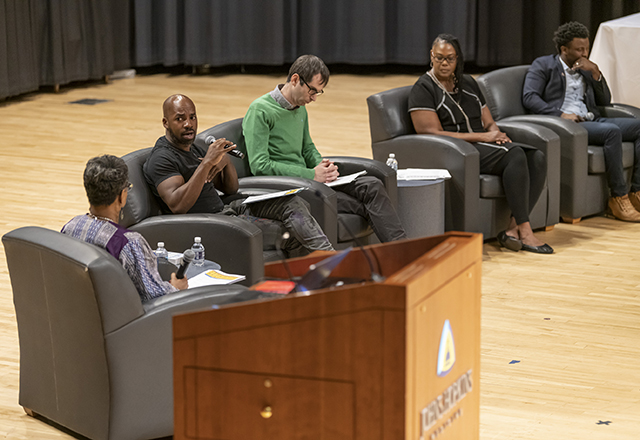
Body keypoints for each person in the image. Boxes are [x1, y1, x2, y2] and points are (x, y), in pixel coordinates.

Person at [408, 34, 552, 254]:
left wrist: (496, 134)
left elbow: (488, 122)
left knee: (537, 157)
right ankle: (526, 231)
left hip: (483, 144)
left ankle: (513, 230)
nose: (444, 63)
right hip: (457, 149)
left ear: (458, 59)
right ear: (431, 56)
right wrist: (484, 138)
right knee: (515, 155)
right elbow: (432, 133)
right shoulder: (423, 89)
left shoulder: (467, 82)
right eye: (439, 58)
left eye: (450, 58)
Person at [143, 94, 333, 258]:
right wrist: (207, 163)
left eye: (192, 117)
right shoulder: (162, 158)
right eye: (180, 119)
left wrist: (224, 161)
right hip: (210, 223)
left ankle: (329, 257)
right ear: (165, 123)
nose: (188, 124)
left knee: (294, 203)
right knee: (290, 233)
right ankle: (316, 277)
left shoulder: (192, 148)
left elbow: (230, 188)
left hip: (227, 208)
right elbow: (178, 206)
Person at [242, 54, 407, 243]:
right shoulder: (260, 111)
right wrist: (312, 174)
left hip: (310, 178)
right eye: (312, 91)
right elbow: (259, 165)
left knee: (372, 185)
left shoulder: (299, 107)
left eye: (318, 93)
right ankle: (401, 255)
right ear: (295, 79)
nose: (313, 99)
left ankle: (403, 249)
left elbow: (307, 148)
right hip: (291, 186)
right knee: (365, 207)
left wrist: (322, 166)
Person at [523, 21, 640, 222]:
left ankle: (636, 191)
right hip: (568, 125)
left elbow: (605, 101)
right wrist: (560, 114)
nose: (585, 53)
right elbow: (530, 97)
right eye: (579, 49)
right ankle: (618, 197)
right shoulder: (543, 65)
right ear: (564, 49)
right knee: (611, 132)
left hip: (591, 118)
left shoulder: (586, 68)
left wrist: (596, 74)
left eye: (586, 48)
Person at [62, 155, 188, 302]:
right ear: (122, 196)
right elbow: (157, 298)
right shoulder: (130, 243)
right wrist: (176, 288)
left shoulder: (71, 226)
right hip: (127, 320)